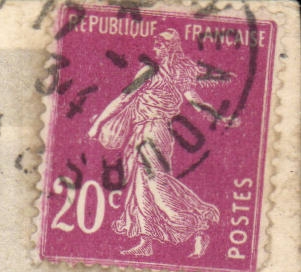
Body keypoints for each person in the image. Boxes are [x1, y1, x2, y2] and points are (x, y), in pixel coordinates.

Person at [87, 28, 230, 259]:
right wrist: (216, 116)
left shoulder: (151, 71)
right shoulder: (178, 73)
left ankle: (197, 225)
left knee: (156, 184)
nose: (154, 49)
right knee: (141, 186)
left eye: (158, 45)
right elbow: (197, 102)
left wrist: (97, 125)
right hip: (153, 131)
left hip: (152, 131)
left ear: (167, 48)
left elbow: (123, 99)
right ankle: (146, 240)